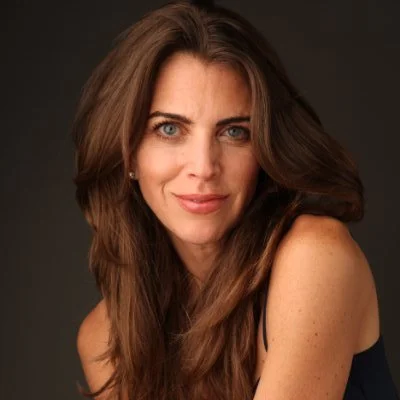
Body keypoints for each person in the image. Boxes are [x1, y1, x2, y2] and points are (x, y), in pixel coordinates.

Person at [72, 1, 399, 399]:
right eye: (169, 129)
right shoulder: (105, 338)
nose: (204, 167)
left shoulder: (314, 257)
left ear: (264, 149)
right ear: (128, 154)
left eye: (234, 133)